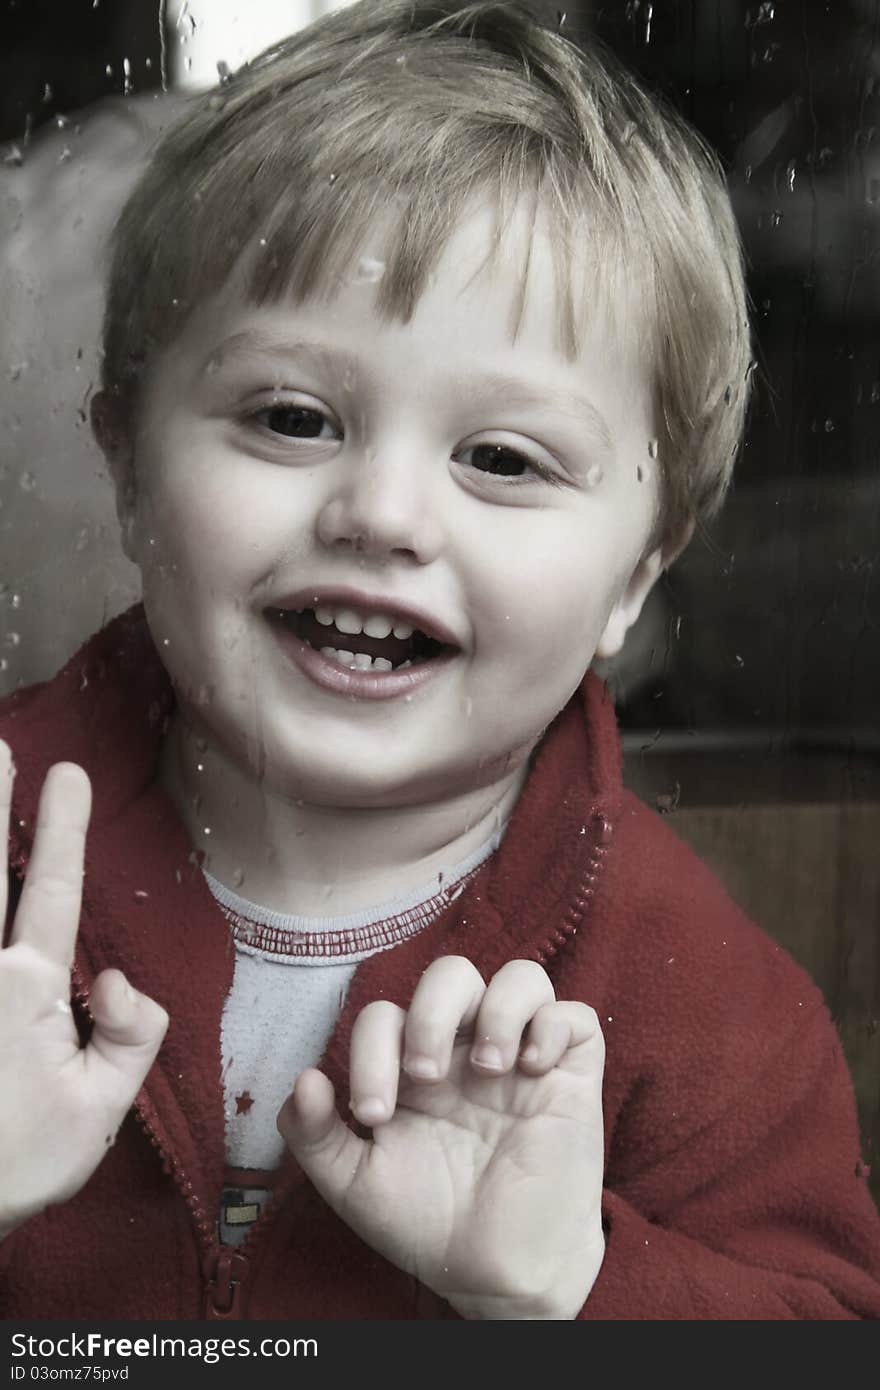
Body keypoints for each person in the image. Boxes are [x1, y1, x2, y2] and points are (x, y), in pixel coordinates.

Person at [1, 0, 878, 1321]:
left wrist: (576, 1286)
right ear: (125, 461)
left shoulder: (701, 996)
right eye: (293, 416)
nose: (386, 515)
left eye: (504, 459)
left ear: (635, 576)